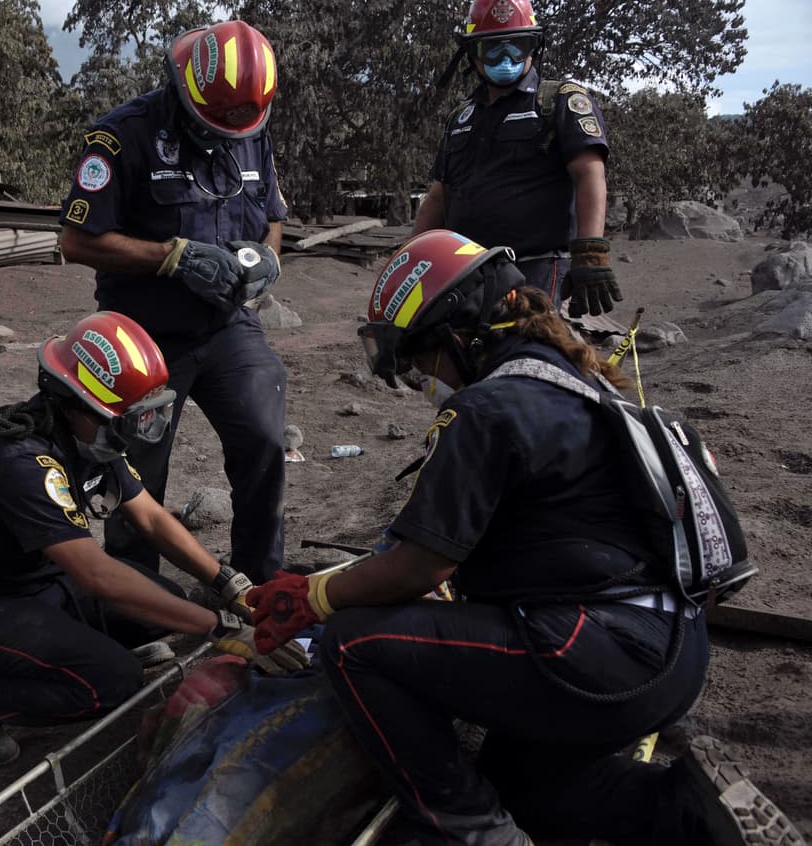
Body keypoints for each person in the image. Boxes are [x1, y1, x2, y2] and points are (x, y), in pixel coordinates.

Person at [243, 230, 802, 845]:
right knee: (527, 789)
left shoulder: (488, 408)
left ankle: (473, 834)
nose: (419, 378)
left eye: (418, 358)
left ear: (456, 334)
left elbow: (419, 566)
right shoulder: (584, 386)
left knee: (354, 644)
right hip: (675, 652)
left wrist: (314, 596)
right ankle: (688, 811)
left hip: (598, 657)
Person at [0, 311, 306, 767]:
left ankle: (77, 651)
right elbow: (97, 575)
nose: (138, 431)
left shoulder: (91, 436)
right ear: (78, 402)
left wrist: (228, 584)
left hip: (36, 583)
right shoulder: (17, 460)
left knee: (163, 603)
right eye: (131, 418)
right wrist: (217, 628)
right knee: (113, 683)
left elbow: (152, 519)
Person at [57, 20, 289, 585]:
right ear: (183, 89)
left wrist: (264, 262)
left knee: (264, 438)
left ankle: (259, 586)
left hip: (227, 326)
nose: (225, 134)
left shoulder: (248, 125)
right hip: (143, 336)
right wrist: (171, 257)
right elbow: (76, 239)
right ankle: (140, 614)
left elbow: (274, 216)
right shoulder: (122, 137)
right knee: (137, 476)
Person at [413, 0, 621, 318]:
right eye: (491, 48)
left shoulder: (560, 102)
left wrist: (590, 251)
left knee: (526, 356)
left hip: (537, 269)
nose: (504, 58)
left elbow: (589, 173)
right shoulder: (460, 119)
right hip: (465, 273)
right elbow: (439, 197)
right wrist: (409, 262)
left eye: (516, 46)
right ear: (472, 54)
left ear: (533, 47)